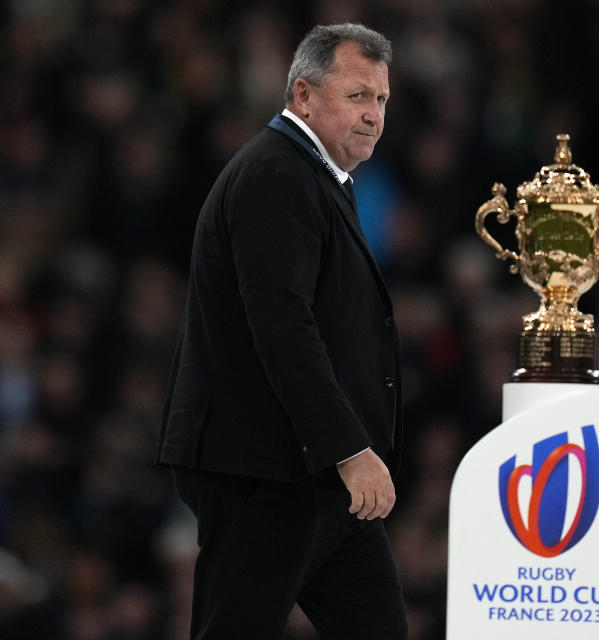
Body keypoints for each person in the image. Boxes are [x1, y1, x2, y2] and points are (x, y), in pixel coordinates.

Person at [156, 23, 406, 639]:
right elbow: (283, 325)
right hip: (266, 473)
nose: (374, 116)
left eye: (381, 100)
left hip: (313, 478)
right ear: (302, 95)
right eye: (357, 96)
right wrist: (349, 449)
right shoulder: (277, 175)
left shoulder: (313, 177)